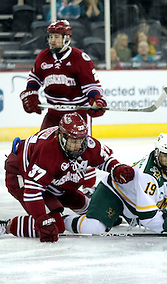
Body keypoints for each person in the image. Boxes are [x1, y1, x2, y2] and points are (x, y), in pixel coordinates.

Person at [63, 133, 167, 238]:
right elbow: (147, 216)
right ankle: (62, 221)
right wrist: (166, 226)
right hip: (113, 195)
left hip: (134, 205)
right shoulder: (147, 175)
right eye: (166, 155)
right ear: (157, 153)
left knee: (136, 213)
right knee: (95, 228)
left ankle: (114, 218)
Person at [1, 112, 134, 242]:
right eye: (73, 141)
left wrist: (117, 168)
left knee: (77, 200)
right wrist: (42, 219)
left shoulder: (87, 144)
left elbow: (105, 160)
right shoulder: (48, 153)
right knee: (55, 226)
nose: (78, 146)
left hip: (51, 177)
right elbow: (32, 192)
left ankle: (85, 214)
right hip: (21, 174)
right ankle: (6, 226)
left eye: (81, 140)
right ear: (62, 137)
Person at [19, 20, 107, 190]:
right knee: (42, 145)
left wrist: (96, 100)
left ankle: (87, 187)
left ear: (67, 38)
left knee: (81, 149)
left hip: (77, 113)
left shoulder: (80, 58)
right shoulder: (43, 57)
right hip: (53, 112)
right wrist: (31, 92)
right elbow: (34, 78)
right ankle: (43, 181)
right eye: (51, 36)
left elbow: (92, 86)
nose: (52, 40)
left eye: (57, 37)